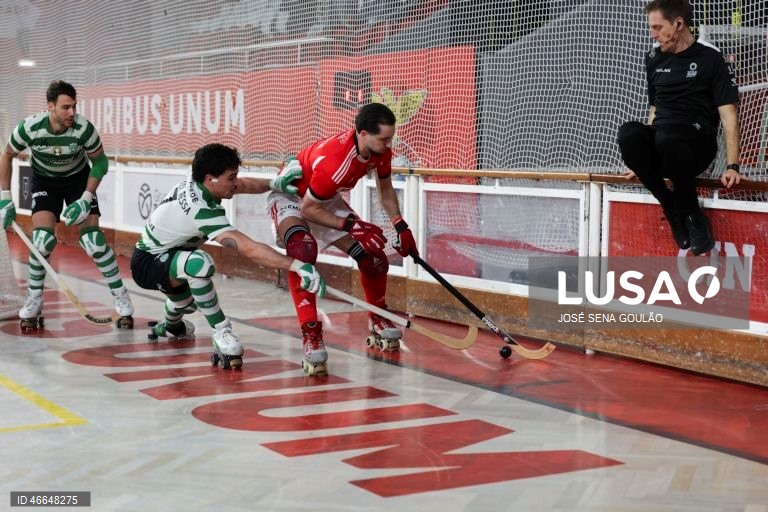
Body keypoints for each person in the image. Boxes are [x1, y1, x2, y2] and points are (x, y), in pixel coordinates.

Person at [130, 142, 325, 370]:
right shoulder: (201, 210)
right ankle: (222, 332)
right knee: (200, 264)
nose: (235, 183)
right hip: (148, 264)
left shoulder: (199, 181)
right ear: (210, 179)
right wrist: (297, 266)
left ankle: (171, 327)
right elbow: (249, 248)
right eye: (231, 178)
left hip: (171, 257)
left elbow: (242, 185)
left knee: (187, 304)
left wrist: (274, 183)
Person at [266, 103, 419, 376]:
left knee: (373, 256)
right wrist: (352, 225)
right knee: (303, 252)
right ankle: (311, 333)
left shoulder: (379, 151)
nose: (389, 145)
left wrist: (400, 225)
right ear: (363, 134)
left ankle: (377, 316)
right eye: (383, 139)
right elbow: (308, 210)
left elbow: (385, 190)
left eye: (390, 138)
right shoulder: (337, 161)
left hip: (323, 199)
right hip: (293, 197)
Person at [0, 80, 135, 329]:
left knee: (94, 242)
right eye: (65, 107)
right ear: (50, 107)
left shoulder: (84, 129)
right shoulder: (29, 128)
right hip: (45, 181)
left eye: (74, 106)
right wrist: (5, 196)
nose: (72, 112)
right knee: (41, 241)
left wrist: (86, 198)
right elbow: (7, 154)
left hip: (78, 182)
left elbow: (100, 162)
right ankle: (34, 298)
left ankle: (121, 296)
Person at [616, 0, 741, 255]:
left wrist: (733, 165)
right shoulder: (653, 58)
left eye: (658, 27)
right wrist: (640, 159)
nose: (652, 34)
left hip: (696, 146)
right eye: (651, 27)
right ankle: (673, 211)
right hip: (664, 141)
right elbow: (655, 109)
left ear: (679, 23)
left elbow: (729, 116)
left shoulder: (710, 57)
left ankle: (693, 216)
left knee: (668, 139)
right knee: (629, 134)